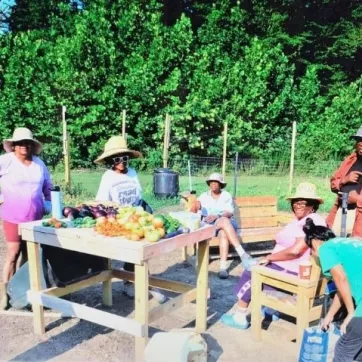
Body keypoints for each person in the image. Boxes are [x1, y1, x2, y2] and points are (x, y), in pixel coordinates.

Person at [221, 182, 326, 329]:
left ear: (313, 205)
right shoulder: (305, 220)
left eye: (302, 203)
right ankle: (271, 310)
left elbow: (295, 250)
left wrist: (269, 257)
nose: (297, 205)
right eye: (295, 202)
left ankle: (240, 317)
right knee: (259, 264)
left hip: (292, 272)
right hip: (289, 267)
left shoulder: (312, 222)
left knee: (251, 271)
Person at [94, 135, 165, 303]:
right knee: (136, 252)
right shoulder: (108, 177)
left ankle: (133, 282)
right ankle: (144, 285)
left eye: (124, 158)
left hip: (137, 217)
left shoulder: (132, 173)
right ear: (110, 161)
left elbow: (138, 196)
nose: (122, 162)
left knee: (143, 251)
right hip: (119, 220)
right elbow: (102, 202)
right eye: (117, 159)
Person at [0, 127, 52, 310]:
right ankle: (4, 293)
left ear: (32, 145)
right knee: (13, 254)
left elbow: (48, 188)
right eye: (20, 143)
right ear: (13, 146)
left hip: (35, 219)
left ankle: (25, 293)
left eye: (28, 142)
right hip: (13, 217)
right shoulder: (5, 161)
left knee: (31, 257)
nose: (24, 146)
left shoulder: (39, 165)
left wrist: (50, 205)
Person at [303, 218, 362, 362]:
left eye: (310, 248)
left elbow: (341, 279)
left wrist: (350, 313)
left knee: (343, 350)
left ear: (315, 242)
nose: (312, 254)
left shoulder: (325, 248)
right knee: (358, 351)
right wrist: (329, 316)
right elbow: (343, 288)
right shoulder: (348, 243)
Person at [194, 172, 253, 279]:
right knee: (222, 227)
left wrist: (218, 216)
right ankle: (242, 254)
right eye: (211, 182)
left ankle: (223, 268)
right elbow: (195, 205)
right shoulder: (204, 196)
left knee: (223, 227)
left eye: (216, 182)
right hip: (211, 226)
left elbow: (229, 213)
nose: (213, 184)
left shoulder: (226, 195)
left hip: (228, 223)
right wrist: (196, 205)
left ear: (220, 184)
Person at [326, 125, 362, 237]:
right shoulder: (350, 160)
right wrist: (344, 180)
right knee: (335, 245)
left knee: (354, 250)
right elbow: (333, 184)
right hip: (341, 211)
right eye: (359, 140)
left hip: (359, 218)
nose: (360, 143)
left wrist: (357, 199)